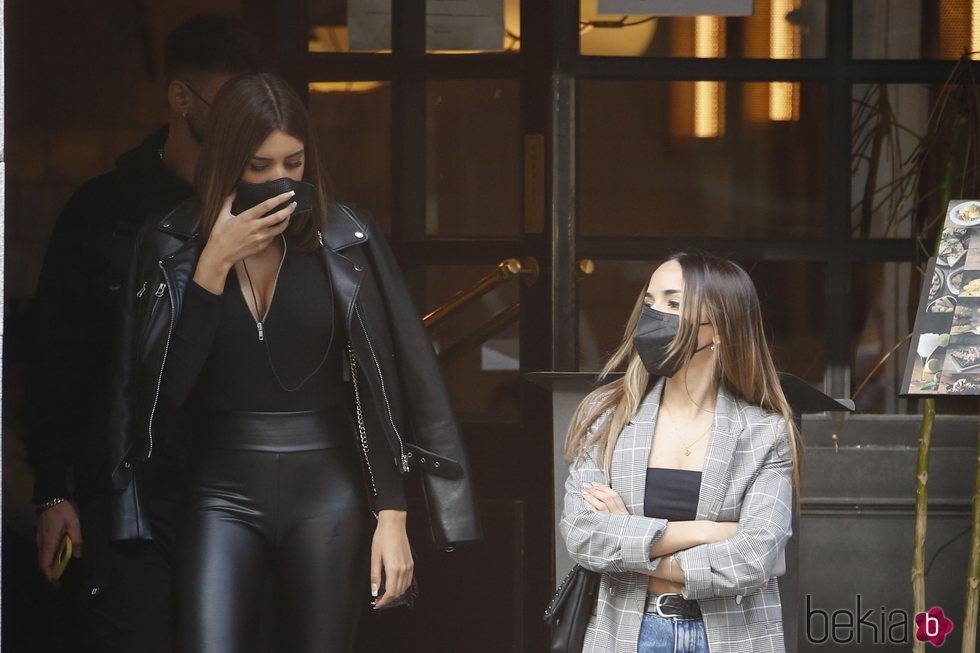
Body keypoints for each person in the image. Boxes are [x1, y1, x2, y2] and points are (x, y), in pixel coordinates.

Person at [106, 72, 481, 652]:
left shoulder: (345, 238)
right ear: (226, 161)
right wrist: (211, 268)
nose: (280, 181)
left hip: (326, 486)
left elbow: (390, 383)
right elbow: (162, 395)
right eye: (260, 166)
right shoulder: (169, 241)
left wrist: (393, 513)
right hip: (219, 486)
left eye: (294, 162)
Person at [25, 14, 258, 652]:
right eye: (227, 102)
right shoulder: (105, 209)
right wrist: (52, 489)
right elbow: (59, 355)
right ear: (181, 100)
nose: (243, 122)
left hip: (237, 490)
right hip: (126, 492)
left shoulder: (266, 207)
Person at [560, 253, 799, 653]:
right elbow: (584, 535)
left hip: (731, 637)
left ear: (720, 327)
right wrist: (708, 531)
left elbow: (754, 557)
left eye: (673, 304)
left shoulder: (764, 433)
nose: (654, 315)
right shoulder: (605, 416)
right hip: (628, 635)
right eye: (650, 302)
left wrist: (636, 545)